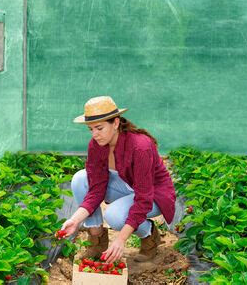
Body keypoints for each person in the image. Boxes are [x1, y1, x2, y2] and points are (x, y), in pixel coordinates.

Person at [61, 96, 176, 263]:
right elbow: (96, 190)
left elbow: (143, 199)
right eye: (90, 129)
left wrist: (121, 239)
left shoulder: (140, 147)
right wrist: (75, 220)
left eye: (99, 128)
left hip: (154, 194)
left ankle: (148, 234)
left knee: (115, 216)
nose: (95, 135)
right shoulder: (96, 145)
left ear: (115, 123)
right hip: (127, 186)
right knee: (80, 179)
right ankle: (97, 239)